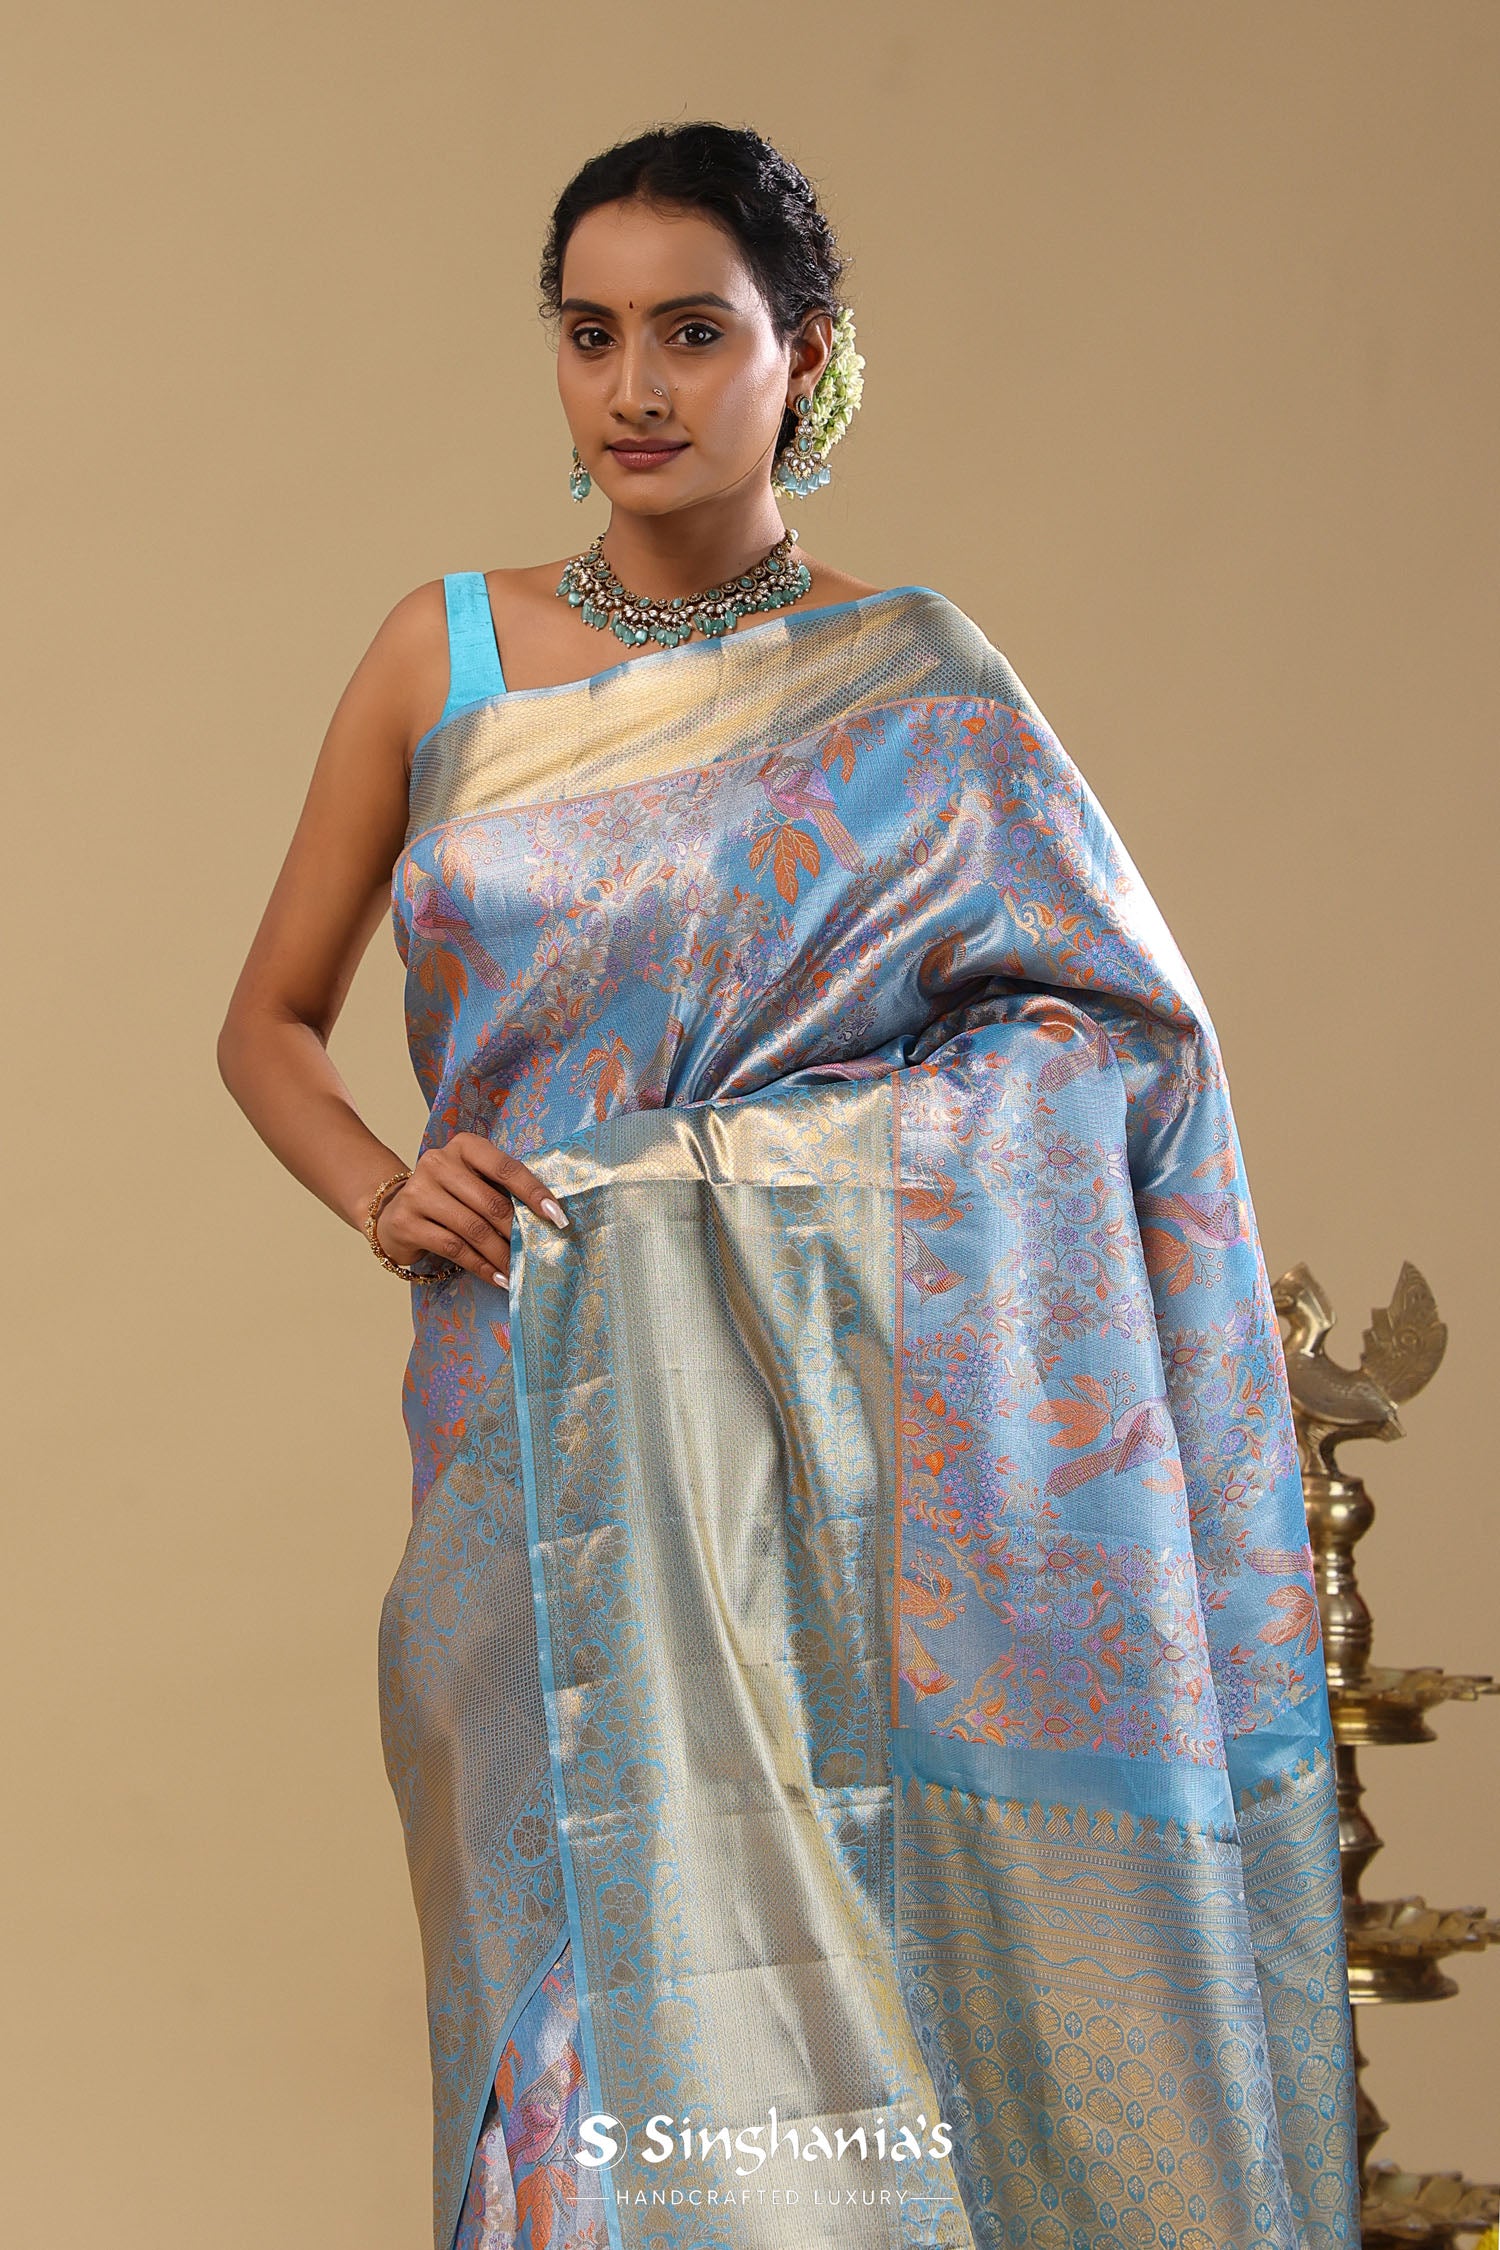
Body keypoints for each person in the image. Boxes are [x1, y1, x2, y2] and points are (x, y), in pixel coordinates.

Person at [218, 121, 1356, 2250]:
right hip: (528, 1416)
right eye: (589, 335)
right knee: (573, 1982)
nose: (633, 388)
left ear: (803, 355)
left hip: (832, 1451)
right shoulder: (439, 656)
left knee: (846, 1965)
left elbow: (1116, 1042)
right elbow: (267, 1021)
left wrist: (715, 1178)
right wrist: (384, 1190)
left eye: (692, 333)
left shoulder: (914, 681)